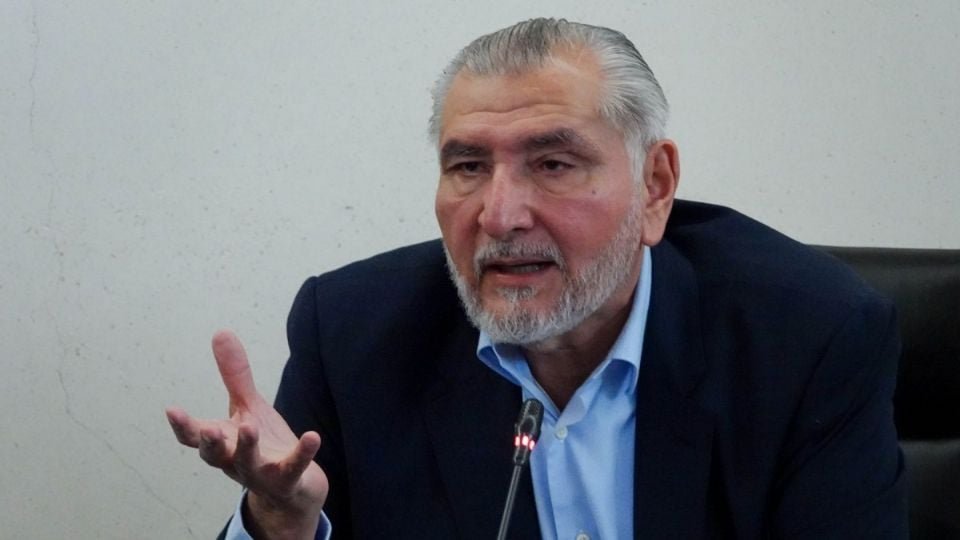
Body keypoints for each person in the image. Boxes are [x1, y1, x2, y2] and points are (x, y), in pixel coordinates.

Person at [166, 18, 907, 539]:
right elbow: (292, 512)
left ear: (654, 188)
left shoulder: (808, 338)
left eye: (553, 164)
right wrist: (281, 523)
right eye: (468, 166)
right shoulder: (354, 334)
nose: (499, 215)